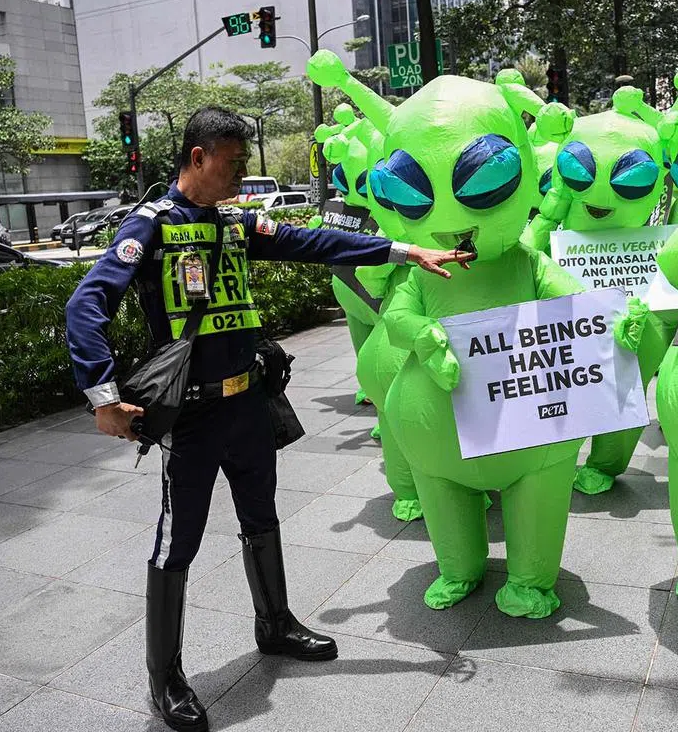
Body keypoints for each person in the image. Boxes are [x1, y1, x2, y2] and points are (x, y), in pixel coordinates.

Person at [65, 106, 472, 732]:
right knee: (180, 542)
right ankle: (165, 677)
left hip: (249, 405)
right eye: (233, 162)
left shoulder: (234, 225)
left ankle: (275, 624)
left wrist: (401, 248)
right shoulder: (148, 226)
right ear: (198, 157)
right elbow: (86, 303)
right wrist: (103, 396)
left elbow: (314, 240)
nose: (241, 175)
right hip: (193, 419)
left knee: (262, 517)